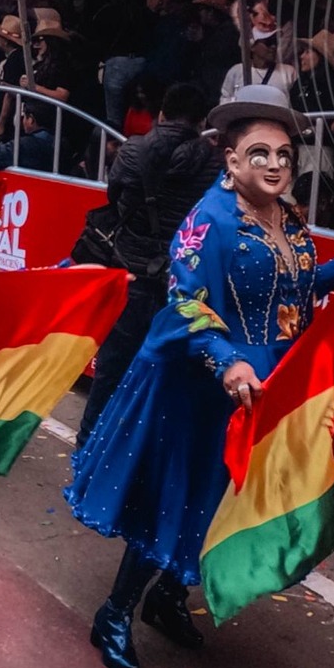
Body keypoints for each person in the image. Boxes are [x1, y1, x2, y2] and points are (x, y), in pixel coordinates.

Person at [67, 86, 334, 668]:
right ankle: (115, 613)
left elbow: (294, 289)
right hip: (201, 386)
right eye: (260, 153)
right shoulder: (211, 219)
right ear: (231, 160)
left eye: (283, 153)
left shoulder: (288, 214)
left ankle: (168, 599)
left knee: (221, 500)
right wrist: (227, 360)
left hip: (264, 385)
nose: (275, 164)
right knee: (173, 500)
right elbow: (186, 302)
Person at [75, 84, 219, 443]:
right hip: (183, 284)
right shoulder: (215, 162)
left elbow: (116, 197)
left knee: (111, 369)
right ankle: (139, 461)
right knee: (168, 377)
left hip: (130, 272)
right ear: (202, 122)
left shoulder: (133, 150)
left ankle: (89, 448)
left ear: (161, 114)